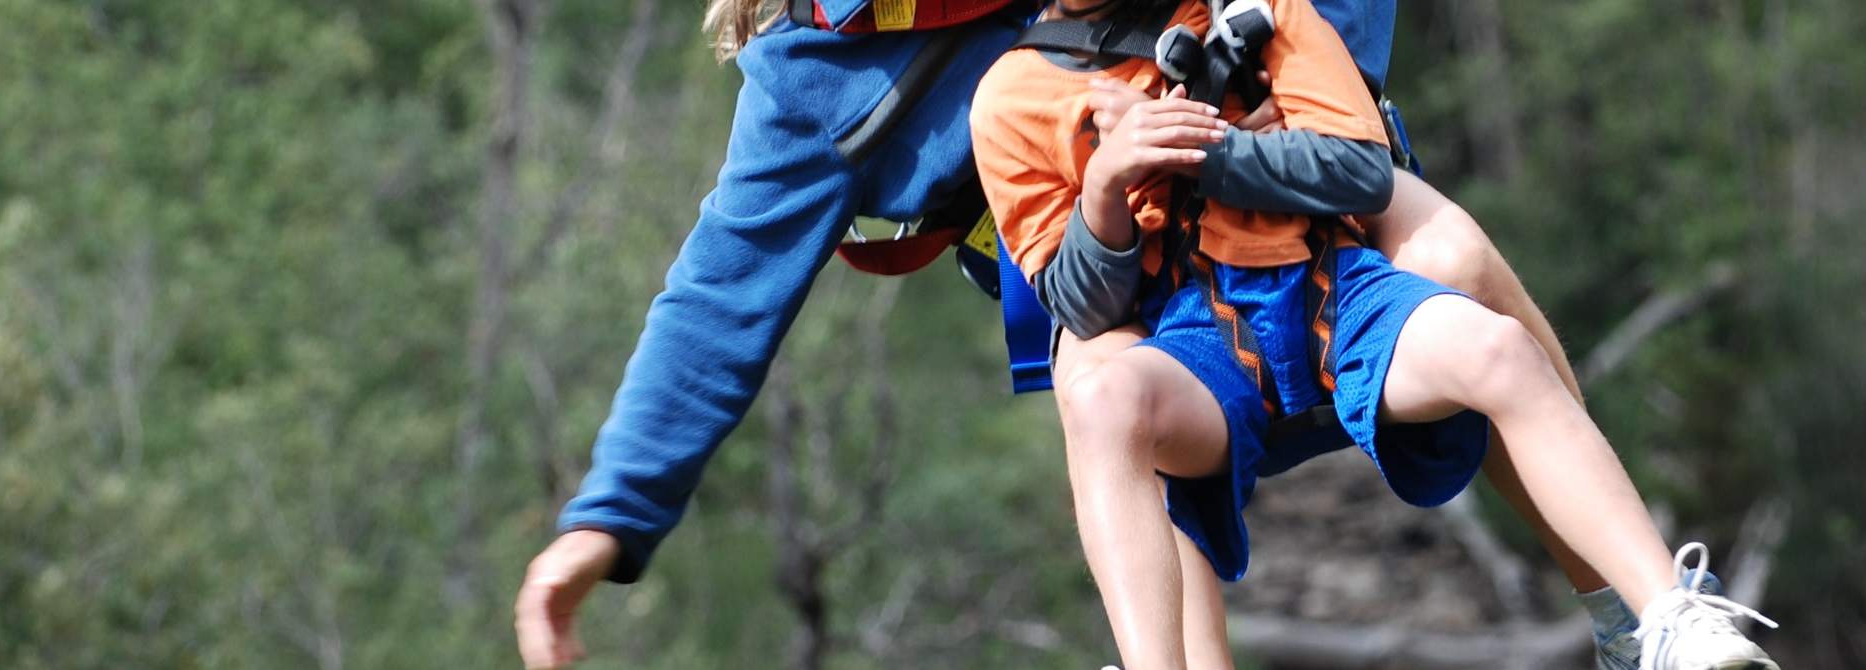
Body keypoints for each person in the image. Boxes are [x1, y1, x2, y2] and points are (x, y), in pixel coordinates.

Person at [511, 1, 1675, 667]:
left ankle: (1632, 614)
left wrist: (1313, 96)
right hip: (1110, 273)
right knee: (1107, 398)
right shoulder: (811, 80)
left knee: (1454, 256)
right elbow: (718, 297)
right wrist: (608, 516)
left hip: (1280, 180)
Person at [967, 0, 1780, 668]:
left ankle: (1666, 618)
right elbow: (1081, 306)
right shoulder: (1011, 98)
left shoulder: (1255, 11)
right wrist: (1107, 186)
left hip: (1336, 292)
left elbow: (1361, 169)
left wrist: (1207, 151)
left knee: (1498, 349)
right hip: (1197, 342)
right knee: (1102, 401)